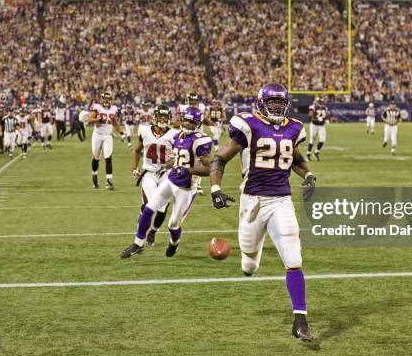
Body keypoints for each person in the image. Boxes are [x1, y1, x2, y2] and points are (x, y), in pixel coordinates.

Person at [209, 83, 316, 341]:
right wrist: (215, 188)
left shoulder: (293, 128)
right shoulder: (248, 125)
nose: (278, 108)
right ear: (260, 104)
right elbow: (219, 158)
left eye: (281, 104)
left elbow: (295, 157)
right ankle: (249, 261)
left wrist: (309, 174)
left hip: (281, 200)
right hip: (253, 203)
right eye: (273, 104)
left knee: (293, 259)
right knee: (249, 263)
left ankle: (300, 320)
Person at [120, 106, 212, 258]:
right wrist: (165, 166)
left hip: (186, 188)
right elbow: (176, 158)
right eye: (186, 120)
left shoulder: (201, 140)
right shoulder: (178, 136)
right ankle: (137, 244)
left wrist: (188, 171)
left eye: (191, 122)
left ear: (198, 123)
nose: (187, 124)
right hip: (171, 180)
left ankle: (174, 244)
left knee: (173, 224)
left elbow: (210, 168)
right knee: (149, 208)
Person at [87, 91, 125, 190]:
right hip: (97, 135)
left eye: (108, 99)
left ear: (110, 100)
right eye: (105, 99)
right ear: (102, 99)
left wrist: (121, 133)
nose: (106, 101)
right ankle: (94, 177)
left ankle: (109, 181)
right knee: (96, 157)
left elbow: (115, 123)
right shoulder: (97, 107)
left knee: (108, 157)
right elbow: (89, 120)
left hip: (108, 136)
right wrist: (98, 120)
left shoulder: (113, 109)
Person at [307, 97, 327, 161]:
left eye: (322, 102)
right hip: (314, 125)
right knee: (312, 140)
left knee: (322, 140)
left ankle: (316, 152)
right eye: (320, 102)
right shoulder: (313, 107)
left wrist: (325, 120)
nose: (321, 103)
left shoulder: (325, 108)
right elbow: (310, 115)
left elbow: (325, 116)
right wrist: (316, 119)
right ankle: (308, 154)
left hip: (321, 126)